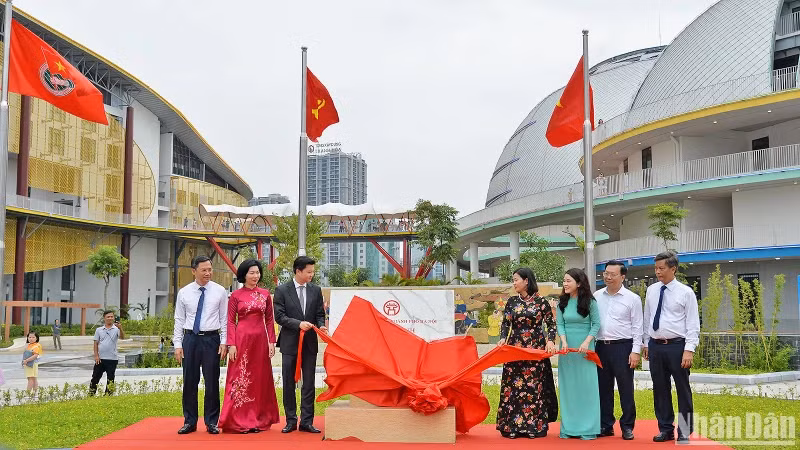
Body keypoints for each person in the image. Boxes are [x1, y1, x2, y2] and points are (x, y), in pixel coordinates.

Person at [642, 251, 699, 444]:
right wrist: (646, 342)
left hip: (677, 346)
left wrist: (689, 349)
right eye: (656, 268)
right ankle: (665, 429)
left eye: (661, 268)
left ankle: (684, 430)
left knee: (682, 389)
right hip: (655, 346)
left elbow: (693, 324)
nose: (657, 272)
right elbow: (647, 318)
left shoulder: (686, 292)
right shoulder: (652, 290)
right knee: (660, 389)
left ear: (673, 269)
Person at [218, 259, 280, 433]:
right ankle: (237, 420)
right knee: (239, 377)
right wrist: (231, 344)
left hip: (260, 340)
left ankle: (258, 419)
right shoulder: (236, 296)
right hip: (242, 339)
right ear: (244, 275)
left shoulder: (265, 294)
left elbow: (269, 319)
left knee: (260, 379)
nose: (255, 276)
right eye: (252, 273)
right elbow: (230, 321)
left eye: (258, 272)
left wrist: (271, 341)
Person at [495, 267, 558, 439]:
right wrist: (502, 339)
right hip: (514, 349)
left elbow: (551, 325)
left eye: (516, 279)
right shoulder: (512, 302)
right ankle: (512, 427)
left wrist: (550, 341)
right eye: (513, 280)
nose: (514, 283)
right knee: (513, 388)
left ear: (526, 281)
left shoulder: (541, 302)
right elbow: (506, 324)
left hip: (534, 351)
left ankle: (533, 426)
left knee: (533, 387)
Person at [173, 255, 229, 435]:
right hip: (190, 339)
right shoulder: (184, 292)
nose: (207, 273)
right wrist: (177, 344)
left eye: (210, 269)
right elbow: (179, 320)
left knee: (212, 381)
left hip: (212, 339)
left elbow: (224, 319)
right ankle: (190, 421)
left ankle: (212, 421)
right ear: (193, 271)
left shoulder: (220, 291)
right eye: (203, 270)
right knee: (190, 381)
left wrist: (224, 342)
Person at [273, 256, 327, 434]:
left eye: (313, 271)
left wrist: (321, 325)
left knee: (309, 383)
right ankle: (290, 420)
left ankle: (307, 421)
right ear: (298, 271)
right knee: (289, 382)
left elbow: (319, 313)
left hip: (310, 343)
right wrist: (298, 324)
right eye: (309, 272)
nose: (312, 274)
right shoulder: (282, 290)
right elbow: (279, 316)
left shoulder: (316, 290)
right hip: (290, 343)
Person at [594, 261, 643, 440]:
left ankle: (627, 426)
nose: (607, 277)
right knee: (603, 388)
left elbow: (638, 327)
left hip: (623, 347)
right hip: (601, 347)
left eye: (612, 274)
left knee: (625, 388)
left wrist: (636, 351)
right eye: (606, 273)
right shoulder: (596, 296)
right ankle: (605, 425)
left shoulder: (632, 299)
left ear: (622, 276)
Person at [556, 268, 601, 440]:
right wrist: (564, 341)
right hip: (567, 349)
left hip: (586, 349)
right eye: (564, 281)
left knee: (586, 388)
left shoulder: (590, 302)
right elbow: (560, 324)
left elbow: (596, 324)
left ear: (579, 283)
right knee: (569, 388)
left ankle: (588, 428)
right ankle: (569, 428)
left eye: (568, 281)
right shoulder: (562, 302)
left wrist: (586, 342)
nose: (565, 284)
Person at [90, 310, 123, 395]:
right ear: (104, 318)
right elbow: (95, 343)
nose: (110, 318)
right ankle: (91, 394)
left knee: (110, 378)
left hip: (112, 359)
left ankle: (108, 395)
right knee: (95, 377)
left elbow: (122, 337)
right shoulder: (99, 330)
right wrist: (96, 356)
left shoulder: (116, 329)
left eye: (112, 316)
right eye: (108, 317)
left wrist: (121, 328)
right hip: (100, 359)